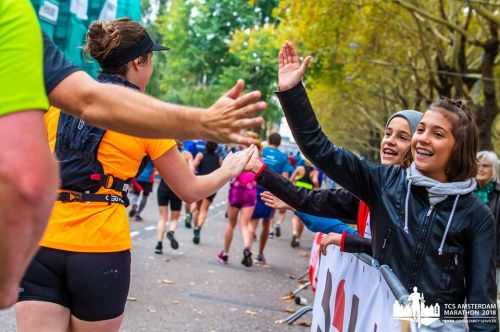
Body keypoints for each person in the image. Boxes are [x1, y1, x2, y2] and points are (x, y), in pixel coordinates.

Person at [0, 1, 266, 308]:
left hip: (42, 245)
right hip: (101, 251)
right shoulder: (149, 123)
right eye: (151, 60)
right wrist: (228, 169)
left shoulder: (59, 103)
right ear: (140, 62)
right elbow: (190, 191)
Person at [273, 41, 497, 330]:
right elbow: (321, 150)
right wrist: (292, 93)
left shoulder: (478, 217)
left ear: (458, 149)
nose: (422, 139)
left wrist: (432, 319)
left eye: (437, 133)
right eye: (421, 130)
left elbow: (481, 305)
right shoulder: (384, 182)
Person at [252, 108, 423, 256]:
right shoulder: (374, 188)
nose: (390, 141)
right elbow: (324, 212)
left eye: (402, 137)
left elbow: (396, 251)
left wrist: (348, 242)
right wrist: (292, 203)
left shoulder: (421, 201)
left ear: (419, 146)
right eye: (388, 133)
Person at [247, 133, 291, 265]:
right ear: (279, 143)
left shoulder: (261, 152)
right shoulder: (283, 158)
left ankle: (247, 249)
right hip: (271, 192)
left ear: (269, 140)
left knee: (252, 222)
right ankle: (260, 254)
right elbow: (285, 178)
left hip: (255, 189)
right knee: (266, 223)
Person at [217, 165, 257, 265]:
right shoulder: (258, 161)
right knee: (245, 225)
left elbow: (228, 175)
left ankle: (225, 253)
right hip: (250, 191)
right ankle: (247, 248)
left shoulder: (239, 157)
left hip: (236, 191)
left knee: (231, 224)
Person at [474, 150, 500, 299]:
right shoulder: (466, 191)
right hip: (468, 257)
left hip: (494, 260)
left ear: (494, 169)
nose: (480, 169)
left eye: (485, 166)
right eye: (477, 165)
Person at [192, 141, 222, 244]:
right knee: (204, 209)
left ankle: (195, 227)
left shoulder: (200, 155)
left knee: (197, 208)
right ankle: (198, 227)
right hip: (211, 186)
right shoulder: (218, 158)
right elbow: (222, 170)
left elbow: (192, 166)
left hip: (200, 183)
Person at [289, 160, 319, 247]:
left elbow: (291, 179)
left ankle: (294, 232)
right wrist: (316, 188)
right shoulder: (314, 172)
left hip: (297, 193)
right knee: (302, 217)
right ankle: (298, 238)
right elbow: (316, 181)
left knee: (295, 216)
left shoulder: (300, 168)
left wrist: (294, 184)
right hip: (307, 195)